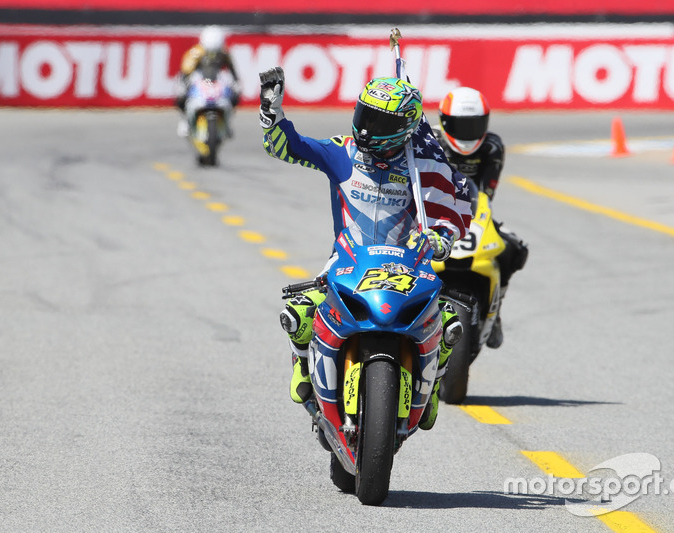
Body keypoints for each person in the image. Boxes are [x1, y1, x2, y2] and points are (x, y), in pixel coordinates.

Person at [259, 66, 472, 430]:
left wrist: (440, 237)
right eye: (365, 114)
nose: (368, 127)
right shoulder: (343, 151)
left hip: (408, 267)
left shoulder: (422, 164)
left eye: (380, 121)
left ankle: (433, 384)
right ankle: (302, 365)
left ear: (405, 128)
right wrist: (271, 113)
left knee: (449, 322)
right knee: (299, 313)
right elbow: (288, 148)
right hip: (348, 262)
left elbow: (450, 209)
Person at [432, 87, 528, 349]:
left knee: (514, 248)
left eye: (474, 125)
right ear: (445, 121)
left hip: (472, 212)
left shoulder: (492, 146)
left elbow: (487, 193)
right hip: (428, 213)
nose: (468, 133)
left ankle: (495, 313)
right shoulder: (428, 139)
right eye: (461, 125)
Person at [175, 26, 240, 138]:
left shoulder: (224, 53)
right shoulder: (195, 53)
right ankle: (185, 121)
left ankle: (227, 123)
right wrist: (184, 83)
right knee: (181, 94)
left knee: (235, 94)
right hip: (198, 80)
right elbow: (186, 71)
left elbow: (232, 69)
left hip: (217, 81)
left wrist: (236, 83)